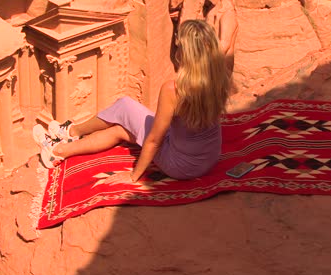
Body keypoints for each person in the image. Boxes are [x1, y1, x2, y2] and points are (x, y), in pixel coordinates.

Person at [33, 19, 230, 184]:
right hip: (208, 157)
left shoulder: (174, 90)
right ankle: (60, 149)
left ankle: (69, 133)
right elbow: (230, 35)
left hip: (182, 164)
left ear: (185, 52)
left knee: (125, 106)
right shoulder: (220, 72)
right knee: (121, 130)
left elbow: (154, 140)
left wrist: (133, 176)